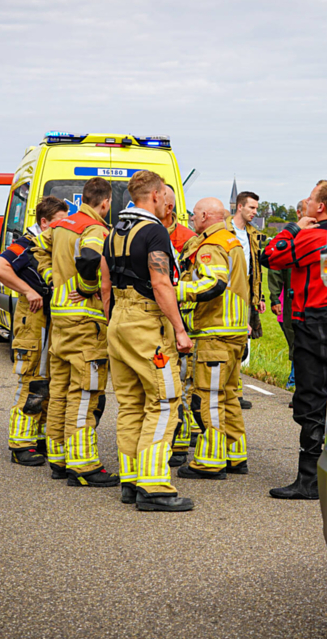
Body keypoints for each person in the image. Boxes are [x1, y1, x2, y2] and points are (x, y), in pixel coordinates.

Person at [102, 170, 194, 512]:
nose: (168, 202)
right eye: (166, 196)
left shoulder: (114, 231)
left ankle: (131, 479)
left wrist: (113, 321)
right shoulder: (153, 230)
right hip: (146, 322)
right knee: (165, 400)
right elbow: (161, 284)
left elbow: (106, 284)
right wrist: (180, 330)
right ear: (154, 195)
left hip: (119, 322)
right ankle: (154, 485)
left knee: (130, 403)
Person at [260, 180, 327, 499]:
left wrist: (292, 228)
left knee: (310, 400)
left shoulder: (312, 236)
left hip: (313, 321)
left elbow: (269, 256)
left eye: (310, 200)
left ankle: (309, 479)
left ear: (320, 207)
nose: (306, 205)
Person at [35, 177, 119, 487]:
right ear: (105, 203)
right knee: (85, 393)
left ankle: (58, 458)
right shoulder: (94, 229)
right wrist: (86, 288)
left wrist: (53, 280)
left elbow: (37, 249)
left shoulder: (61, 225)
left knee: (60, 391)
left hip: (60, 318)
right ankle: (83, 466)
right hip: (86, 321)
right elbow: (90, 259)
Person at [174, 198, 249, 480]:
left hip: (214, 331)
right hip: (234, 331)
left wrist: (176, 290)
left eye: (194, 215)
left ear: (205, 215)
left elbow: (212, 283)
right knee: (228, 395)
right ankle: (234, 453)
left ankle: (210, 461)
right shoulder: (232, 241)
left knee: (209, 398)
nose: (192, 219)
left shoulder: (211, 245)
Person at [0, 196, 68, 466]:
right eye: (58, 223)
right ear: (44, 222)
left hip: (49, 318)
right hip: (33, 320)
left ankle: (40, 437)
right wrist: (27, 290)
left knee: (50, 380)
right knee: (32, 380)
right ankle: (20, 444)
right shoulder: (27, 244)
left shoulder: (50, 244)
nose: (62, 228)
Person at [159, 185, 199, 467]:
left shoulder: (187, 238)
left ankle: (180, 444)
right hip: (155, 318)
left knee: (180, 384)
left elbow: (197, 279)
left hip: (181, 315)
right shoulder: (146, 231)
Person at [266, 198, 305, 391]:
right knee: (297, 341)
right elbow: (274, 267)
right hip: (289, 301)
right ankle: (294, 379)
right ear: (299, 214)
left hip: (307, 302)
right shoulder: (289, 238)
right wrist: (274, 298)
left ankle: (297, 379)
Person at [231, 191, 265, 409]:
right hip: (229, 290)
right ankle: (231, 391)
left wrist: (259, 296)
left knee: (242, 345)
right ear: (240, 206)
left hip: (247, 293)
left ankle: (236, 390)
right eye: (251, 208)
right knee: (230, 342)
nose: (255, 212)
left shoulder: (254, 234)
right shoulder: (225, 229)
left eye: (256, 209)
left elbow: (257, 268)